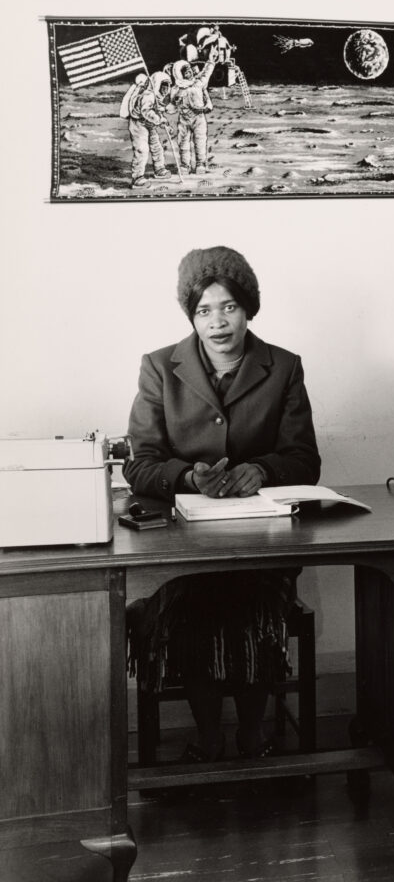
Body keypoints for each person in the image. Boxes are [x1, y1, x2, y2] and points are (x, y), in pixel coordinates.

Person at [124, 246, 320, 761]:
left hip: (264, 544)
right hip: (186, 549)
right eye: (204, 310)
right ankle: (210, 741)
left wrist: (264, 469)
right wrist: (187, 476)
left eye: (229, 307)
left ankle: (251, 737)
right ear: (190, 315)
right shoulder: (159, 368)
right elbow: (138, 462)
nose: (217, 322)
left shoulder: (284, 368)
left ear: (249, 308)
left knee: (251, 609)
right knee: (198, 612)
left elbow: (305, 459)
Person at [121, 70, 174, 188]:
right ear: (157, 84)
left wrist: (165, 124)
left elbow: (157, 112)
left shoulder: (157, 96)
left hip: (149, 124)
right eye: (163, 86)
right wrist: (159, 120)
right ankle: (137, 177)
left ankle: (159, 169)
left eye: (167, 86)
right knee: (142, 150)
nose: (165, 89)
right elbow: (146, 112)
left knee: (157, 147)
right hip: (138, 124)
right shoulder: (148, 95)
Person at [170, 57, 215, 174]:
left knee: (200, 141)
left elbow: (206, 73)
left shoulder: (198, 83)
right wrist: (176, 98)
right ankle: (185, 165)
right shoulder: (177, 88)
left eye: (190, 70)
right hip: (184, 119)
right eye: (186, 71)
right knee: (183, 142)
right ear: (181, 74)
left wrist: (211, 61)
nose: (189, 72)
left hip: (198, 117)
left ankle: (200, 163)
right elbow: (172, 102)